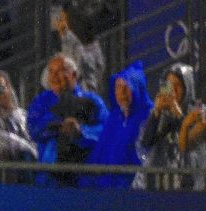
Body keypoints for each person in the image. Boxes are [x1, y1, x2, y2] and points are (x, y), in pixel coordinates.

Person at [27, 53, 108, 186]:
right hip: (50, 177)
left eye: (60, 71)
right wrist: (58, 125)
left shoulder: (92, 101)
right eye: (51, 72)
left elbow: (105, 131)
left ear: (74, 74)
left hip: (84, 176)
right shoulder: (41, 102)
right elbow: (33, 129)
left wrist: (81, 131)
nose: (54, 76)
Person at [83, 60, 151, 188]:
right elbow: (98, 155)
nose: (122, 93)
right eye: (118, 87)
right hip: (103, 191)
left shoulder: (147, 118)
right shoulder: (113, 118)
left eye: (127, 88)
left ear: (137, 89)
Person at [138, 62, 196, 189]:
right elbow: (146, 143)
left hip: (189, 185)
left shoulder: (198, 112)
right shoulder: (159, 115)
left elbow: (193, 143)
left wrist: (178, 114)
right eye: (170, 85)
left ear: (187, 87)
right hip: (161, 184)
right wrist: (156, 113)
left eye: (178, 85)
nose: (173, 90)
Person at [50, 4, 105, 95]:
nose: (58, 23)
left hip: (85, 94)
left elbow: (85, 72)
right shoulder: (68, 40)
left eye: (61, 20)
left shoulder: (81, 45)